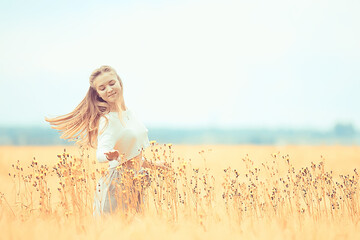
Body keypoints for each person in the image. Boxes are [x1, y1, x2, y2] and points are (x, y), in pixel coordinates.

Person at [45, 65, 166, 216]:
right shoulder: (107, 120)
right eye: (102, 88)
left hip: (137, 180)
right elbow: (101, 153)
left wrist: (154, 165)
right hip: (118, 183)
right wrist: (109, 155)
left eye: (111, 83)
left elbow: (131, 154)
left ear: (119, 82)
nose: (109, 89)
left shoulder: (130, 113)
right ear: (98, 94)